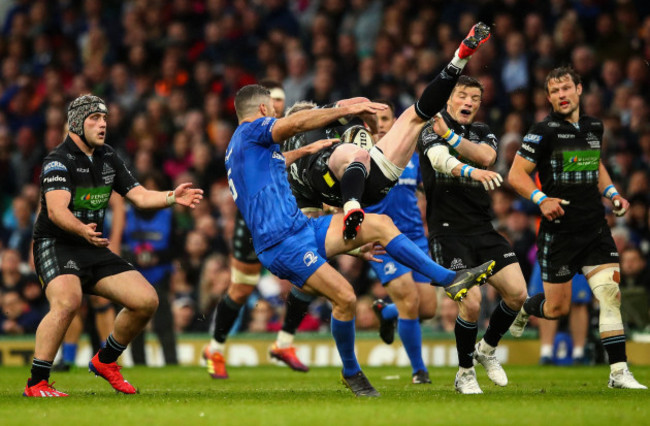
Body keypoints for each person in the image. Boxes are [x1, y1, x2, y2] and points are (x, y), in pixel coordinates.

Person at [225, 81, 494, 396]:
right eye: (273, 110)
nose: (276, 115)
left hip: (301, 229)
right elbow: (297, 121)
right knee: (346, 297)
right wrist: (349, 109)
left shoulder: (249, 150)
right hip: (279, 243)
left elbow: (292, 176)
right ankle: (351, 372)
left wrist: (352, 248)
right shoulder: (250, 133)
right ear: (262, 110)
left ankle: (451, 280)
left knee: (379, 224)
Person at [24, 94, 203, 397]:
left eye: (105, 118)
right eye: (94, 118)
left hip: (91, 244)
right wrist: (82, 229)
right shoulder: (58, 160)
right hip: (57, 243)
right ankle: (37, 382)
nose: (103, 123)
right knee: (68, 302)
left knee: (146, 300)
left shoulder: (108, 157)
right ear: (77, 123)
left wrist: (173, 197)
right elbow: (56, 211)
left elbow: (140, 196)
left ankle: (106, 360)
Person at [507, 67, 646, 389]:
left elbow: (594, 164)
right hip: (559, 232)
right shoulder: (542, 131)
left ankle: (618, 372)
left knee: (610, 295)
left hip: (595, 227)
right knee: (556, 308)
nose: (562, 95)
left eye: (566, 88)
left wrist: (613, 194)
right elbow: (516, 174)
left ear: (580, 89)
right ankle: (529, 306)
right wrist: (541, 199)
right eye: (555, 91)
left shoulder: (594, 127)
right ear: (548, 97)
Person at [416, 75, 528, 394]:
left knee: (518, 294)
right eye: (462, 95)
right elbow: (439, 161)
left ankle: (486, 350)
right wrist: (469, 170)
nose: (468, 102)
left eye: (474, 98)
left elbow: (487, 157)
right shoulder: (429, 128)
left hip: (482, 228)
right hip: (448, 232)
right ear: (449, 99)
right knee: (472, 300)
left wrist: (451, 136)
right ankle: (465, 372)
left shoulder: (482, 132)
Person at [356, 100, 438, 385]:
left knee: (427, 309)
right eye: (374, 119)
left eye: (386, 118)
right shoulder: (358, 157)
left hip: (415, 237)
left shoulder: (412, 156)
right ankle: (419, 371)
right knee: (410, 301)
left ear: (395, 122)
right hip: (381, 241)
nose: (380, 124)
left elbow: (420, 195)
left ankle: (386, 311)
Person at [528, 262, 592, 365]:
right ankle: (546, 353)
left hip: (575, 253)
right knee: (547, 299)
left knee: (579, 303)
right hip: (548, 252)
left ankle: (579, 353)